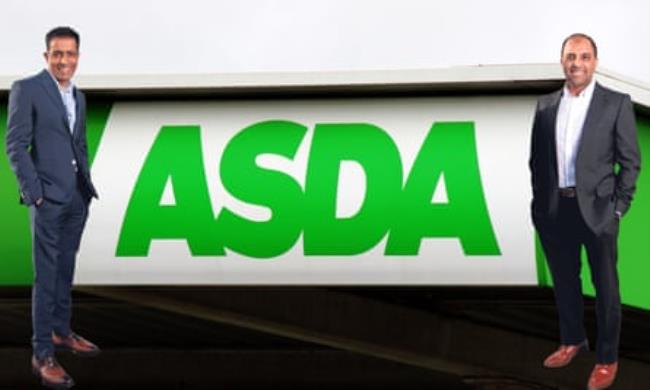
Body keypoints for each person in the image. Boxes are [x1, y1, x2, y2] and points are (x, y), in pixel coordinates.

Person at [529, 33, 641, 390]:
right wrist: (540, 206)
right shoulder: (545, 106)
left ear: (595, 62)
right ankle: (572, 340)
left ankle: (607, 359)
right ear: (562, 61)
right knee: (565, 282)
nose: (576, 63)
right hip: (555, 209)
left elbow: (631, 162)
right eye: (570, 56)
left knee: (606, 288)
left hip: (597, 211)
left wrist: (618, 208)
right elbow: (536, 162)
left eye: (584, 56)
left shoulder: (615, 104)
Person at [6, 26, 101, 389]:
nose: (64, 60)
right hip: (47, 199)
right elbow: (15, 145)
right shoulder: (27, 89)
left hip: (76, 197)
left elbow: (79, 143)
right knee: (45, 276)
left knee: (64, 269)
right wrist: (36, 194)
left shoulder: (79, 96)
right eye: (57, 54)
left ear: (78, 57)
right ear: (46, 56)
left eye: (70, 54)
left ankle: (62, 331)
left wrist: (85, 185)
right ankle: (42, 353)